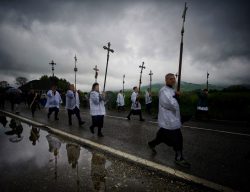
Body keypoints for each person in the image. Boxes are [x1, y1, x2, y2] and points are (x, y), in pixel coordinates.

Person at [148, 73, 190, 168]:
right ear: (166, 80)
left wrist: (176, 96)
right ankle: (179, 158)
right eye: (170, 79)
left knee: (161, 137)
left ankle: (151, 144)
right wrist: (177, 97)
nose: (173, 80)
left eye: (174, 79)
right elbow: (170, 104)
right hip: (168, 120)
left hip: (172, 120)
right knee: (178, 139)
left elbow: (175, 105)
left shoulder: (172, 90)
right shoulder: (164, 91)